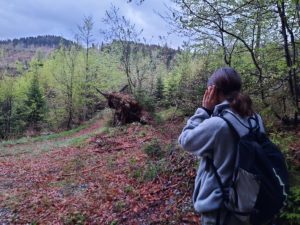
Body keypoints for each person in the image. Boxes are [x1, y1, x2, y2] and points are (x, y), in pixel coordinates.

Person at [178, 67, 265, 225]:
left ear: (212, 91)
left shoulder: (218, 125)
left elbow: (185, 140)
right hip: (248, 200)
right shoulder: (255, 119)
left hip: (220, 208)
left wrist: (204, 110)